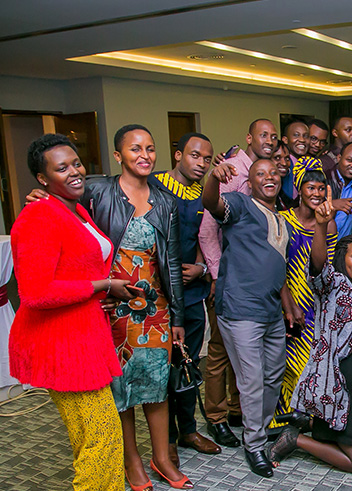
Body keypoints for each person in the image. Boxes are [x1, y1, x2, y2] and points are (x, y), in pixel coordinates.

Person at [11, 134, 138, 491]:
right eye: (61, 168)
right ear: (42, 178)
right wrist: (101, 287)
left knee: (90, 437)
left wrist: (102, 293)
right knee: (103, 436)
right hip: (61, 344)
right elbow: (35, 293)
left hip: (83, 334)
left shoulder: (76, 208)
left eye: (76, 163)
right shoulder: (39, 215)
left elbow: (77, 269)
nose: (74, 172)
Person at [89, 125, 188, 489]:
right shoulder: (96, 191)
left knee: (158, 385)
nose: (144, 155)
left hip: (155, 309)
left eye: (149, 148)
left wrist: (176, 315)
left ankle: (161, 458)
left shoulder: (166, 201)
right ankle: (132, 462)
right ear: (118, 155)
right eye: (135, 149)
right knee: (122, 389)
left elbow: (173, 263)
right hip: (113, 307)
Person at [270, 195, 352, 474]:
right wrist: (322, 227)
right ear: (342, 259)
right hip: (340, 381)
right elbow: (316, 266)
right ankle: (296, 439)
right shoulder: (333, 284)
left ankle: (313, 423)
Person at [202, 158, 294, 478]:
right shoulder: (240, 205)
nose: (268, 177)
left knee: (272, 376)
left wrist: (287, 306)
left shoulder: (282, 219)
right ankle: (253, 444)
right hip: (240, 309)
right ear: (249, 182)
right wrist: (213, 178)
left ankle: (260, 429)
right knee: (251, 380)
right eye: (260, 174)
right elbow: (211, 202)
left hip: (270, 312)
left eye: (273, 173)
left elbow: (276, 266)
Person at [198, 118, 278, 448]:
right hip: (231, 287)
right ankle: (224, 423)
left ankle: (243, 416)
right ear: (249, 138)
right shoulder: (232, 173)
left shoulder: (274, 200)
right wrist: (216, 274)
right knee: (222, 357)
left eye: (274, 137)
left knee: (260, 371)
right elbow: (209, 221)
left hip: (263, 298)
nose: (269, 140)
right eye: (263, 135)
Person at [151, 133, 220, 464]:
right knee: (162, 368)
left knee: (188, 364)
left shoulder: (206, 193)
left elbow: (214, 239)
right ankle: (165, 442)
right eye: (195, 156)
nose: (201, 163)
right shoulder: (154, 186)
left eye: (207, 159)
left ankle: (188, 429)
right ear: (178, 155)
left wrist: (204, 270)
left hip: (191, 294)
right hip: (158, 296)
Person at [273, 170, 339, 425]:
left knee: (308, 363)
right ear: (299, 190)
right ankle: (279, 420)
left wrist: (322, 224)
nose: (317, 193)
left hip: (315, 303)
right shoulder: (283, 219)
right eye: (311, 188)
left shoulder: (329, 222)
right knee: (284, 365)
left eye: (321, 189)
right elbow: (276, 266)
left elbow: (321, 266)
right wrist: (289, 305)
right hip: (285, 298)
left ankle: (304, 420)